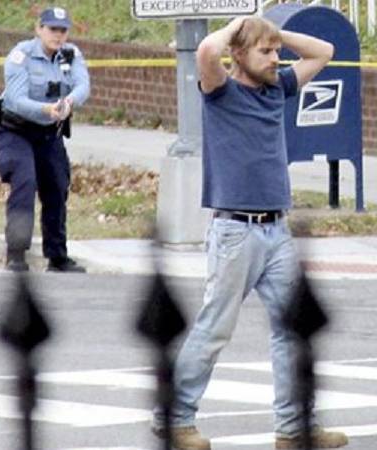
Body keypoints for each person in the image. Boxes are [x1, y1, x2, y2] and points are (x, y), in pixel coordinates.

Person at [152, 16, 348, 450]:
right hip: (234, 231)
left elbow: (324, 53)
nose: (277, 58)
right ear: (238, 55)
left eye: (277, 51)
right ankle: (176, 419)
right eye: (266, 51)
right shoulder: (221, 92)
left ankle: (294, 428)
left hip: (276, 230)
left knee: (293, 328)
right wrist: (239, 23)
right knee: (214, 328)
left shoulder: (279, 87)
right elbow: (206, 52)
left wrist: (273, 30)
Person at [0, 7, 90, 273]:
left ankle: (57, 256)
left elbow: (83, 85)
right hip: (15, 131)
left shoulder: (70, 54)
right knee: (25, 182)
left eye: (63, 30)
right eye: (52, 29)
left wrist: (69, 102)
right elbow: (15, 100)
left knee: (57, 185)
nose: (58, 35)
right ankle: (16, 254)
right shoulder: (21, 55)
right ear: (39, 29)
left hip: (48, 132)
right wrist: (46, 109)